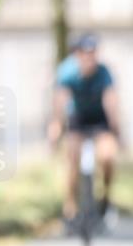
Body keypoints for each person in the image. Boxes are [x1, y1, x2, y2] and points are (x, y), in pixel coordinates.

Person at [47, 34, 121, 223]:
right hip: (78, 119)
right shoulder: (67, 71)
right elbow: (60, 102)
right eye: (85, 53)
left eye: (93, 53)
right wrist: (56, 128)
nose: (89, 58)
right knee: (72, 157)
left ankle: (106, 199)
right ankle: (70, 206)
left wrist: (116, 130)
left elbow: (111, 100)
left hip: (99, 119)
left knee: (107, 156)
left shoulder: (103, 72)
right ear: (77, 54)